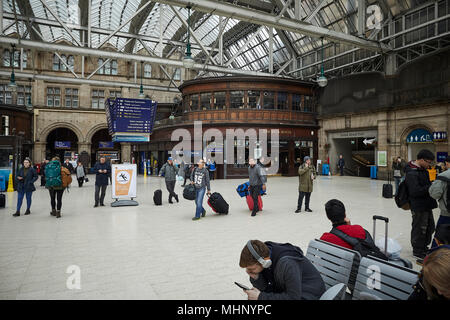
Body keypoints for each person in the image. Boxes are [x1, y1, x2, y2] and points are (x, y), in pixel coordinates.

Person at [238, 240, 325, 300]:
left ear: (265, 262)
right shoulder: (265, 254)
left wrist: (260, 297)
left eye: (251, 269)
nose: (248, 271)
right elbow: (265, 288)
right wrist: (256, 278)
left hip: (309, 294)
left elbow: (293, 298)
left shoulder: (287, 264)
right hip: (291, 290)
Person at [405, 149, 438, 259]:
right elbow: (415, 191)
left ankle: (424, 247)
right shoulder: (411, 172)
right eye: (428, 162)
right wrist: (430, 186)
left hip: (426, 204)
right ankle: (418, 250)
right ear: (421, 159)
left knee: (430, 227)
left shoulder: (422, 169)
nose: (429, 164)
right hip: (418, 205)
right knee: (420, 228)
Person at [429, 156, 450, 248]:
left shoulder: (444, 175)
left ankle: (434, 257)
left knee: (440, 237)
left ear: (447, 163)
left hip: (447, 213)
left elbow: (435, 194)